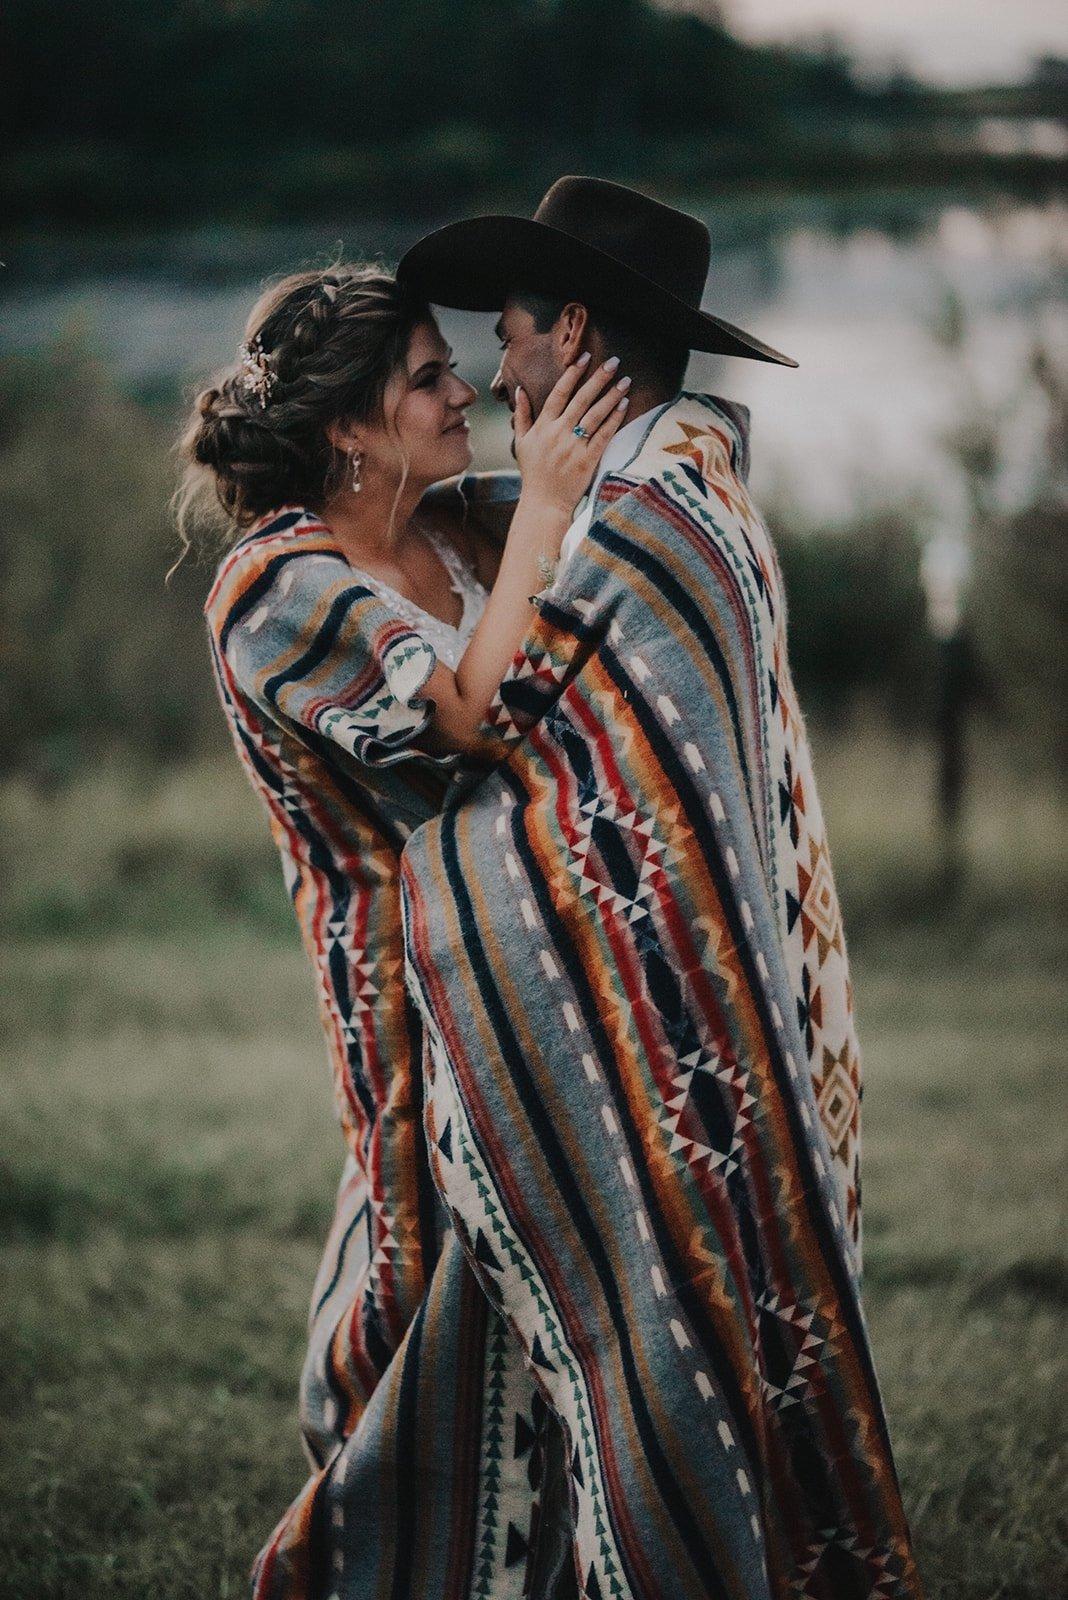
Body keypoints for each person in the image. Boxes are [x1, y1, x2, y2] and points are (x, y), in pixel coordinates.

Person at [391, 176, 926, 1597]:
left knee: (670, 1352)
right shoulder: (659, 494)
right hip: (685, 1029)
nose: (496, 368)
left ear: (573, 329)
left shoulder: (651, 519)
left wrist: (423, 848)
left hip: (680, 1046)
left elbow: (517, 758)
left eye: (506, 334)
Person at [177, 263, 632, 1598]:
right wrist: (548, 501)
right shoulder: (277, 593)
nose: (463, 394)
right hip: (409, 991)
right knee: (433, 1272)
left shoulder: (455, 533)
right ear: (347, 428)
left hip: (537, 972)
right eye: (428, 376)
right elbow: (470, 721)